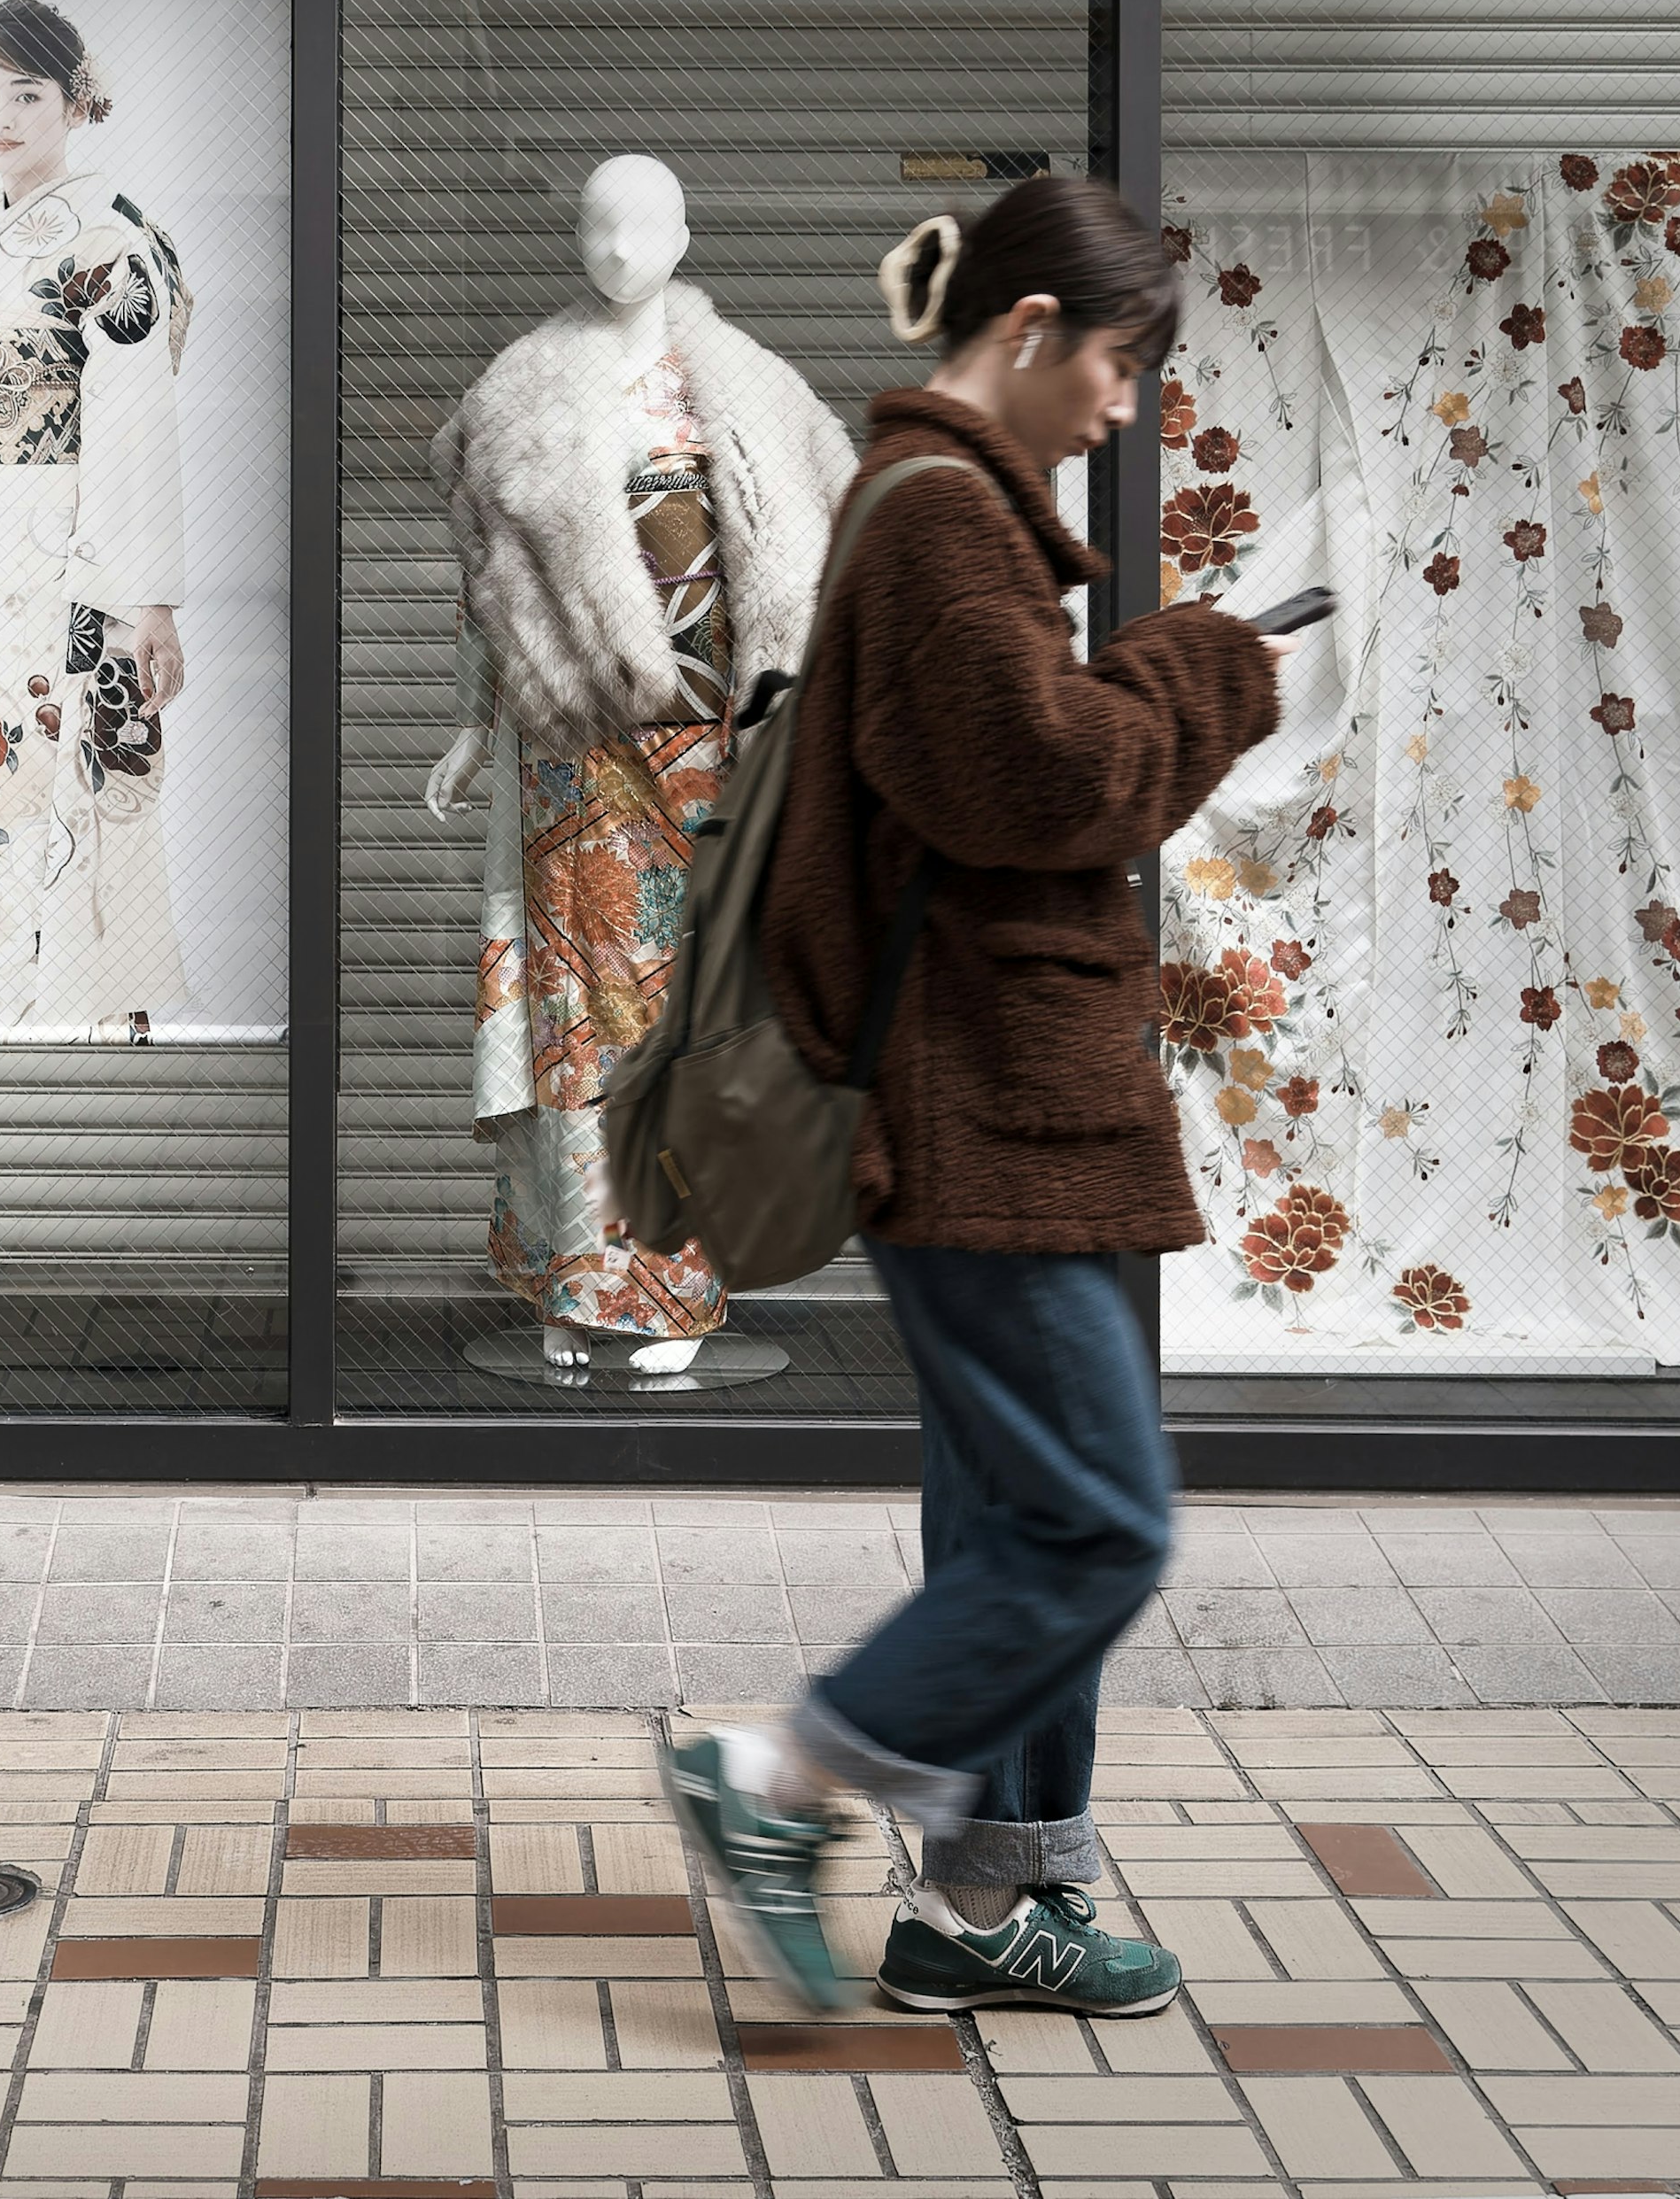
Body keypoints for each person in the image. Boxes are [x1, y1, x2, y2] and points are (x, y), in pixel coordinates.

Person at [656, 174, 1292, 2017]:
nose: (1120, 405)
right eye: (1112, 364)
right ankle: (779, 1782)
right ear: (1026, 334)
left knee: (1019, 1515)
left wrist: (1132, 675)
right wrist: (1195, 676)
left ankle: (983, 1907)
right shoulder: (939, 523)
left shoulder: (956, 516)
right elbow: (1041, 779)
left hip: (1015, 1105)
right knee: (1099, 1523)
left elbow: (1000, 767)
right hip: (980, 1112)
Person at [0, 0, 194, 1034]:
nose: (1, 116)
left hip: (63, 556)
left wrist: (147, 597)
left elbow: (139, 418)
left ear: (75, 100)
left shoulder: (104, 236)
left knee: (56, 777)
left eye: (27, 93)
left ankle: (73, 1039)